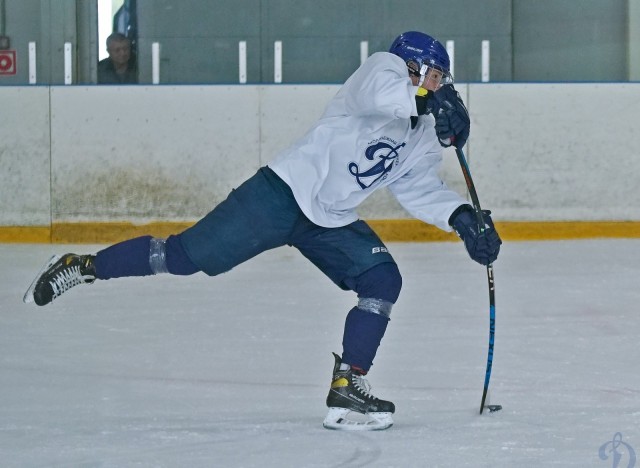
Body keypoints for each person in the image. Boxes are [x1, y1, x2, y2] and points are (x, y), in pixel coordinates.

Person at [24, 31, 501, 431]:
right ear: (413, 68)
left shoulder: (419, 132)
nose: (440, 85)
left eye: (443, 80)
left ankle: (347, 386)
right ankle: (83, 266)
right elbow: (387, 96)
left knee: (382, 280)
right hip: (282, 193)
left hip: (330, 219)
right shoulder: (383, 70)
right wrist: (429, 98)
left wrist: (461, 218)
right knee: (184, 257)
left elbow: (418, 187)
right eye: (434, 75)